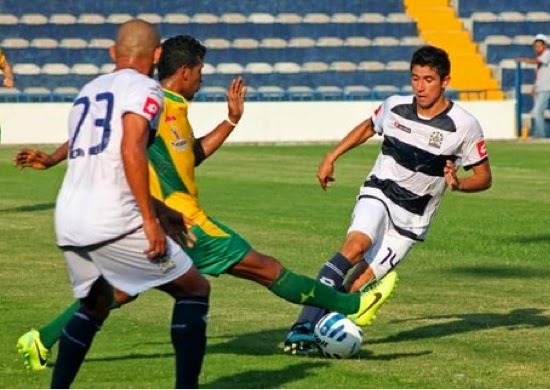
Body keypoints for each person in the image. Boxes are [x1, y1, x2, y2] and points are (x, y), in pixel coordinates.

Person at [15, 34, 398, 370]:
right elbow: (113, 134)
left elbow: (191, 155)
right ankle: (351, 306)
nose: (202, 79)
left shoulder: (175, 109)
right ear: (184, 72)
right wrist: (53, 158)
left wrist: (231, 121)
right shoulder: (155, 104)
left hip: (166, 225)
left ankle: (42, 338)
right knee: (266, 267)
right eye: (200, 71)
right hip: (184, 224)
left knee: (117, 291)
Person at [283, 45, 493, 355]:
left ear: (445, 81)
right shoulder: (395, 107)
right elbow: (369, 126)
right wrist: (332, 156)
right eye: (415, 78)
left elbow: (485, 177)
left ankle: (317, 334)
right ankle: (301, 327)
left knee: (359, 283)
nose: (420, 87)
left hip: (412, 220)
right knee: (354, 246)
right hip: (380, 192)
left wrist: (459, 184)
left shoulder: (464, 125)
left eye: (428, 80)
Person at [37, 20, 213, 388]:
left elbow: (101, 165)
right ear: (158, 55)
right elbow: (130, 148)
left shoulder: (88, 91)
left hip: (69, 218)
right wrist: (151, 220)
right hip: (114, 217)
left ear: (113, 53)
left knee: (95, 305)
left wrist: (162, 210)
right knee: (194, 288)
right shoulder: (146, 88)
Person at [516, 34, 550, 139]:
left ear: (544, 46)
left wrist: (523, 60)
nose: (537, 48)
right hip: (541, 88)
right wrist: (535, 87)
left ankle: (541, 135)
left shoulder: (548, 53)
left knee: (537, 112)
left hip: (546, 88)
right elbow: (540, 75)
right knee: (539, 112)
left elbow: (537, 61)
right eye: (535, 46)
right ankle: (541, 132)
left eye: (539, 45)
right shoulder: (542, 56)